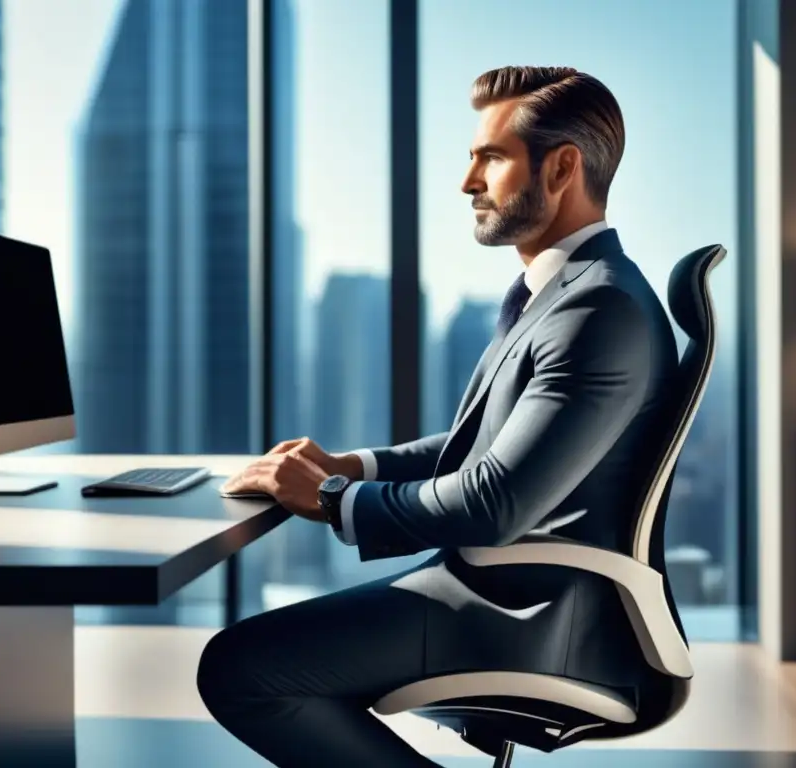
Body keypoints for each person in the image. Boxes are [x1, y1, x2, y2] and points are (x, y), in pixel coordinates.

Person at [197, 65, 679, 767]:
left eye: (491, 157)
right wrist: (349, 467)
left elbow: (496, 501)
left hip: (528, 613)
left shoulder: (597, 309)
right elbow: (476, 448)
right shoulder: (563, 292)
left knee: (242, 671)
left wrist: (333, 501)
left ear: (562, 167)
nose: (467, 181)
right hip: (502, 588)